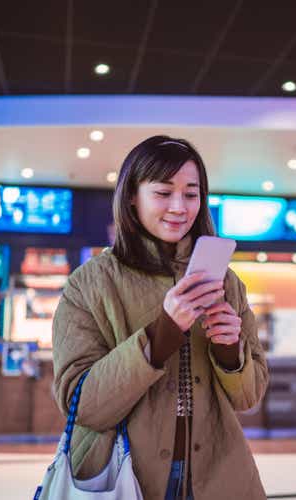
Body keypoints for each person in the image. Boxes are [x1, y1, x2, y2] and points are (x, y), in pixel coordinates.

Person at [52, 135, 269, 499]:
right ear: (132, 196)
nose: (180, 207)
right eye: (163, 192)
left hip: (222, 476)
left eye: (191, 193)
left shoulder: (227, 282)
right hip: (125, 476)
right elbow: (82, 404)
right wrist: (163, 332)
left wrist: (230, 351)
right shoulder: (90, 283)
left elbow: (249, 397)